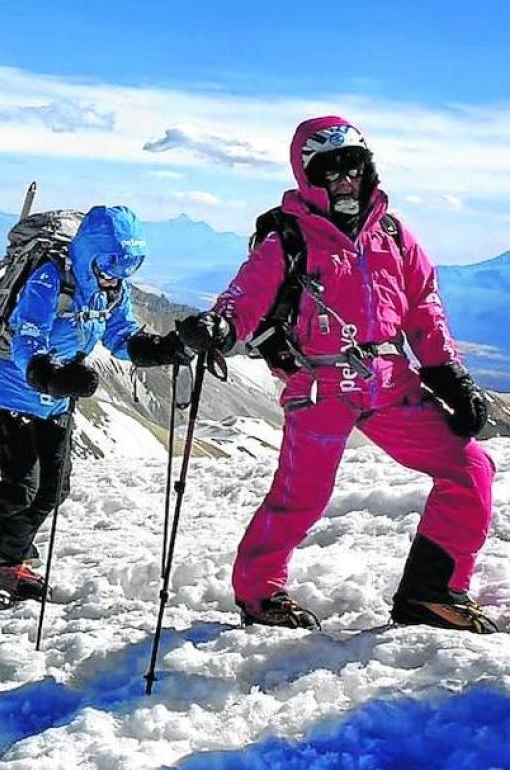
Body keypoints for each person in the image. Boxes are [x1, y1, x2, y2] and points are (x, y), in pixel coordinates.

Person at [176, 116, 496, 633]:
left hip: (391, 382)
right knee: (301, 496)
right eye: (331, 170)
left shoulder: (392, 234)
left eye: (354, 167)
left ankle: (431, 593)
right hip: (320, 385)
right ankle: (260, 594)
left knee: (470, 468)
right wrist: (219, 325)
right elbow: (247, 296)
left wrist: (448, 371)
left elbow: (423, 306)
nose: (346, 180)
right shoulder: (288, 237)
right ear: (309, 176)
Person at [0, 205, 190, 602]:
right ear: (90, 251)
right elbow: (26, 338)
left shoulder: (111, 288)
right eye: (113, 261)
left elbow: (121, 334)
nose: (118, 272)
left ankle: (4, 564)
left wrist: (161, 348)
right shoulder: (49, 278)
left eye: (130, 264)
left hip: (56, 400)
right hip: (12, 394)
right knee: (20, 489)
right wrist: (49, 374)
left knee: (52, 490)